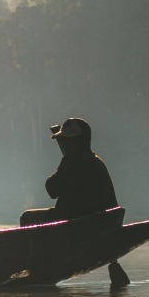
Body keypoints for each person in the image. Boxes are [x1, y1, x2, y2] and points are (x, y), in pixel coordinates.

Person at [19, 116, 130, 286]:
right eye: (64, 141)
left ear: (80, 141)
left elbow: (51, 189)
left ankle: (35, 264)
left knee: (27, 218)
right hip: (90, 223)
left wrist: (63, 164)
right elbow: (112, 204)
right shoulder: (97, 163)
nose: (65, 145)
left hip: (73, 223)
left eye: (69, 141)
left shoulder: (73, 163)